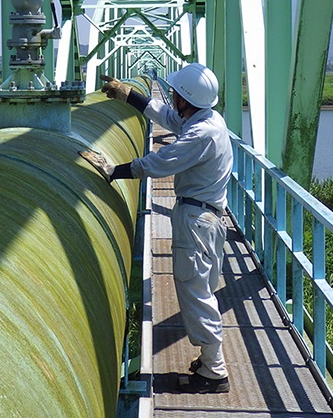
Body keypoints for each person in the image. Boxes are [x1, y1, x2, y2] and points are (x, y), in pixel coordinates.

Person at [80, 63, 233, 394]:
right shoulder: (207, 119)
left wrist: (114, 170)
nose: (173, 95)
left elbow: (162, 162)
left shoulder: (201, 133)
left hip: (196, 221)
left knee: (195, 292)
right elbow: (167, 117)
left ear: (186, 97)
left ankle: (214, 372)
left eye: (176, 92)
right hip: (208, 218)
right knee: (201, 289)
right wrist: (130, 96)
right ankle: (210, 359)